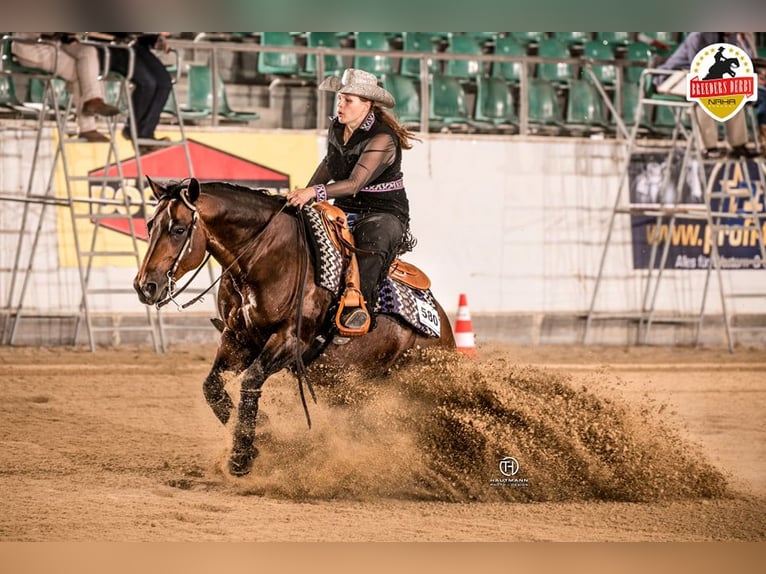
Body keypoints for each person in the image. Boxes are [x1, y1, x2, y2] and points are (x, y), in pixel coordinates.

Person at [286, 68, 417, 335]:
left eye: (348, 100)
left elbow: (356, 183)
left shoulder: (383, 138)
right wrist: (304, 194)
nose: (340, 104)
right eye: (340, 98)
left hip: (384, 213)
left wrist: (314, 193)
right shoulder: (336, 128)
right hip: (346, 208)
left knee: (370, 245)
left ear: (367, 105)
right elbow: (330, 164)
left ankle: (358, 311)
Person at [654, 32, 760, 159]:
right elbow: (697, 66)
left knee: (734, 93)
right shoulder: (698, 35)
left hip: (706, 77)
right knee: (703, 93)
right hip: (676, 75)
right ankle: (708, 148)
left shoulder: (731, 36)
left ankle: (738, 145)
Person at [10, 33, 120, 142]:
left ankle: (93, 102)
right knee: (81, 73)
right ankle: (88, 125)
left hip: (57, 42)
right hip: (32, 46)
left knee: (88, 52)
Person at [103, 33, 173, 152]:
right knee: (148, 83)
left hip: (137, 47)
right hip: (114, 47)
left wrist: (157, 38)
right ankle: (133, 130)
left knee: (164, 83)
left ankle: (146, 133)